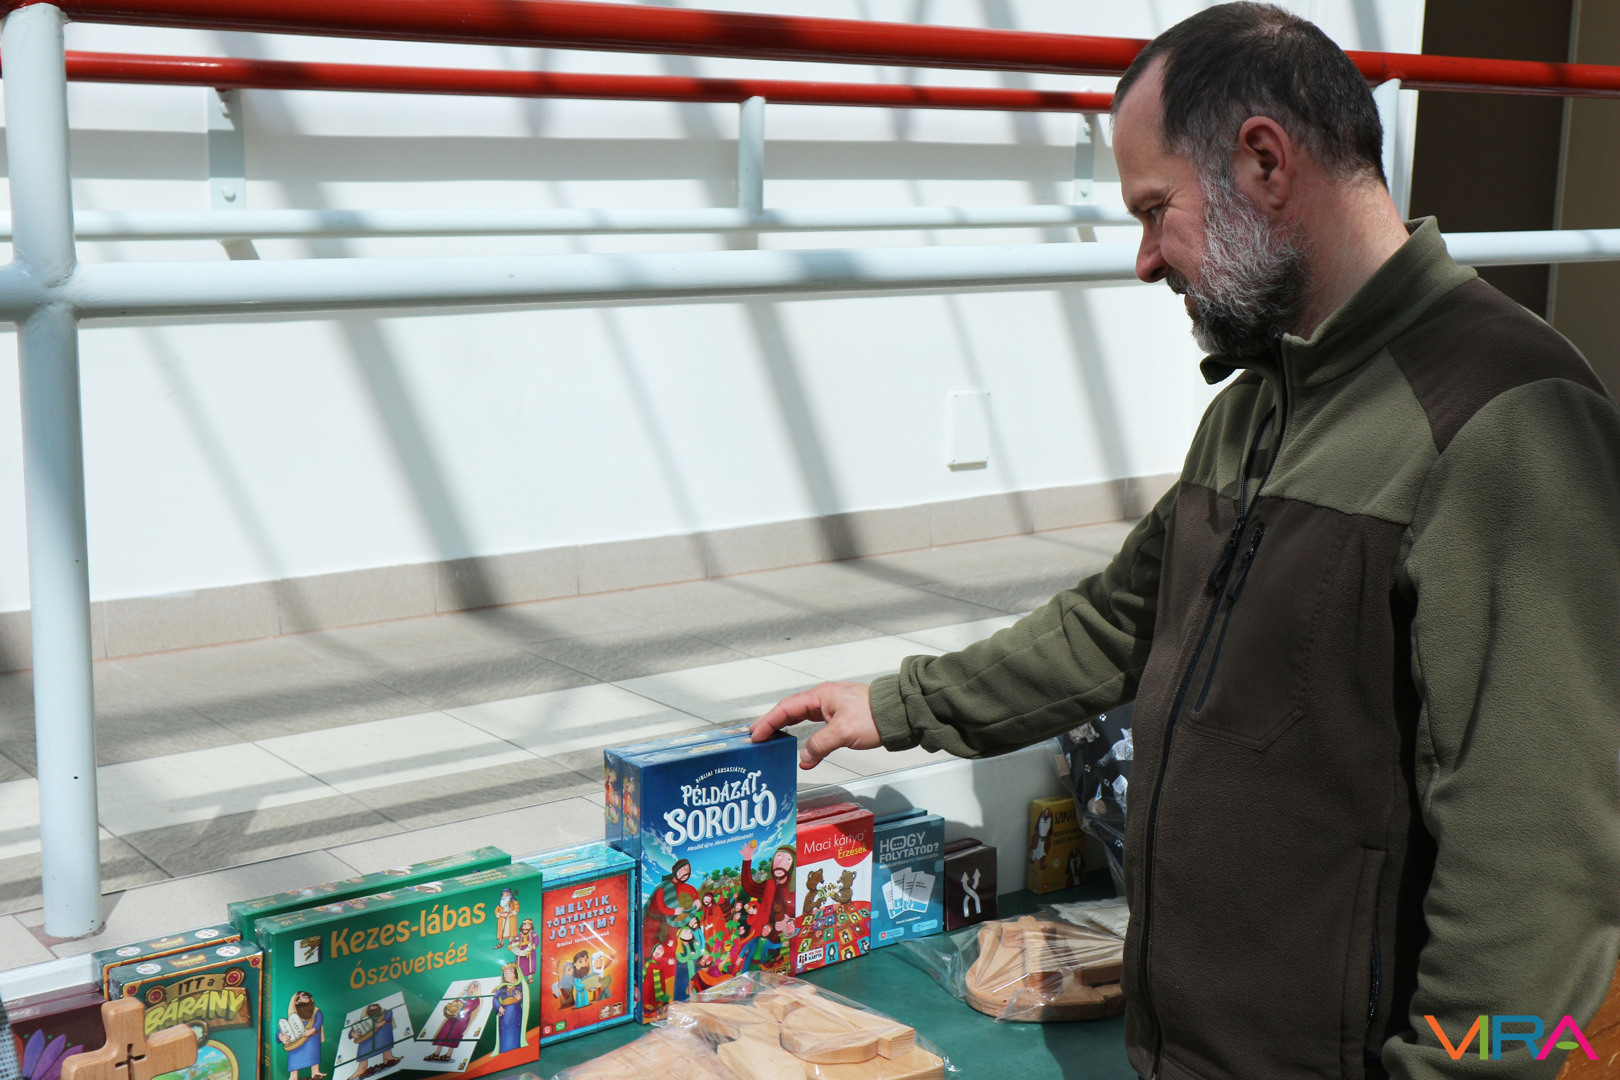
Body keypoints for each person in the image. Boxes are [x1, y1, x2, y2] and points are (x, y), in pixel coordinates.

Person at [751, 5, 1620, 1079]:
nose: (1146, 259)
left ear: (1264, 161)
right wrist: (899, 705)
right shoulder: (1255, 409)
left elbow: (1540, 865)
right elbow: (1119, 619)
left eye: (1156, 210)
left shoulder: (1505, 416)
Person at [282, 992, 326, 1080]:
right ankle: (293, 1077)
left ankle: (315, 1073)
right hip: (296, 1044)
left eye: (305, 996)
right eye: (298, 999)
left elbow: (318, 1021)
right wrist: (281, 1037)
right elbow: (282, 1029)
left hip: (312, 1041)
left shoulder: (316, 1012)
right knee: (294, 1061)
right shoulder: (293, 1017)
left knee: (313, 1058)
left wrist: (311, 1031)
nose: (302, 999)